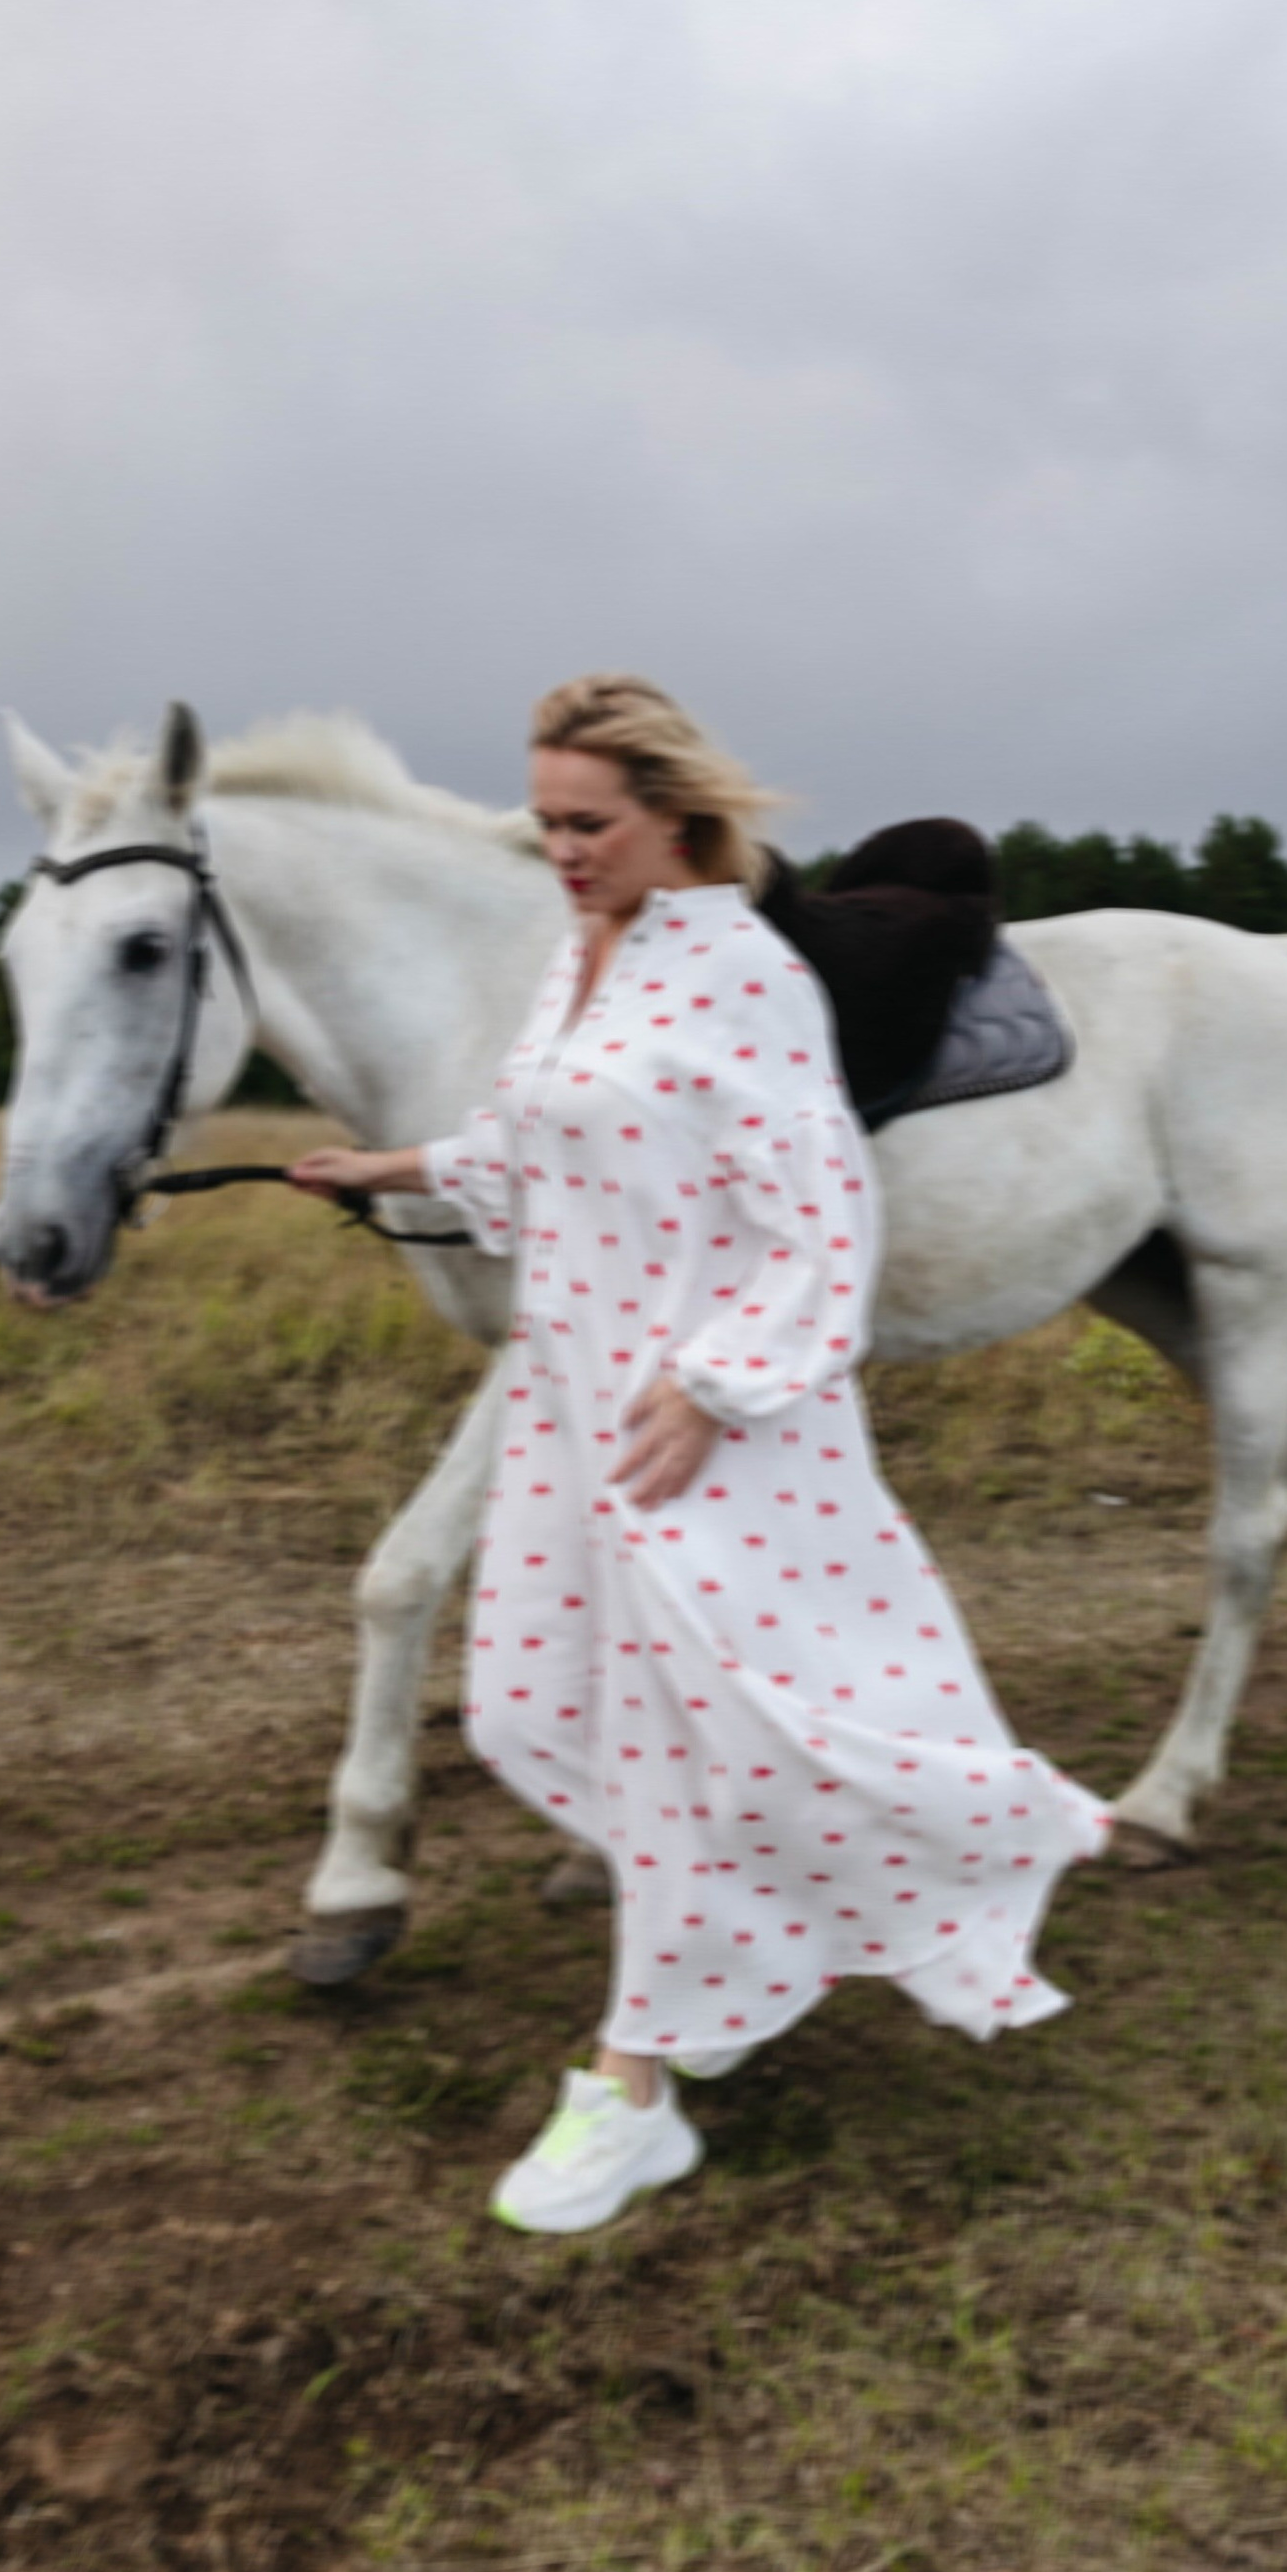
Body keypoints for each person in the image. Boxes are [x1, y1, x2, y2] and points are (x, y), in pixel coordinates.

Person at [290, 675, 1111, 2238]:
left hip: (703, 1428)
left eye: (590, 826)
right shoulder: (579, 960)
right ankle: (733, 1949)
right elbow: (540, 1139)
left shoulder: (740, 971)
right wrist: (394, 1166)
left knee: (686, 1735)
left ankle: (633, 2090)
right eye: (545, 824)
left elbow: (824, 1217)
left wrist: (725, 1384)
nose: (563, 852)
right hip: (567, 1407)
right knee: (548, 1702)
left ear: (678, 820)